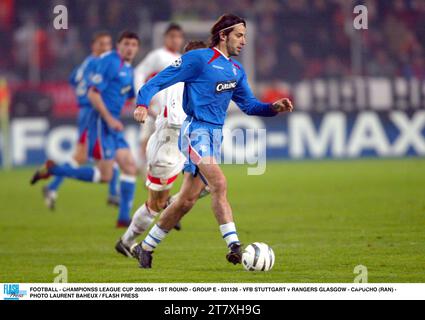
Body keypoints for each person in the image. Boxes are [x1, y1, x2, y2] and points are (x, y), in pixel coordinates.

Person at [132, 14, 294, 268]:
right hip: (194, 131)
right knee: (219, 182)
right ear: (223, 35)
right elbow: (158, 80)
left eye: (245, 37)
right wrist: (142, 103)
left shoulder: (236, 71)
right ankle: (234, 246)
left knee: (185, 201)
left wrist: (272, 107)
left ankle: (145, 247)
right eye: (239, 35)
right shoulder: (198, 59)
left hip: (214, 136)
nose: (243, 41)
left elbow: (249, 106)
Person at [31, 31, 140, 228]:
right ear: (118, 45)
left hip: (113, 123)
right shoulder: (109, 62)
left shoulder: (128, 68)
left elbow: (131, 96)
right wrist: (108, 117)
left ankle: (124, 218)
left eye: (134, 45)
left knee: (130, 166)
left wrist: (150, 108)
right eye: (126, 44)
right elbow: (92, 92)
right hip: (100, 121)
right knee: (103, 174)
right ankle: (55, 170)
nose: (130, 48)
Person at [115, 41, 208, 258]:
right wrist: (143, 105)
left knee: (210, 185)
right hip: (168, 147)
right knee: (155, 204)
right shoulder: (179, 82)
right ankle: (126, 242)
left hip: (185, 144)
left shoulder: (197, 80)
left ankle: (171, 203)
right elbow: (176, 120)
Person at [42, 31, 119, 210]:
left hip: (87, 111)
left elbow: (73, 79)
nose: (106, 47)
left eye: (108, 44)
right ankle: (53, 184)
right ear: (94, 46)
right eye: (102, 44)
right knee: (85, 155)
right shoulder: (98, 62)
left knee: (88, 154)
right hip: (93, 112)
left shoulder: (86, 63)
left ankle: (113, 194)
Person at [134, 23, 185, 181]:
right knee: (147, 138)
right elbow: (139, 73)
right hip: (155, 108)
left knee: (165, 142)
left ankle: (155, 173)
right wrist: (143, 100)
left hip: (173, 110)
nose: (176, 40)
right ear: (166, 38)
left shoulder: (181, 58)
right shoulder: (158, 55)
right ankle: (143, 170)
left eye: (178, 37)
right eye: (172, 36)